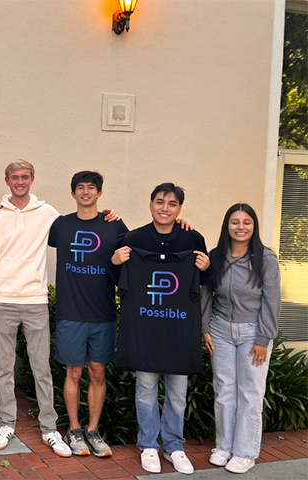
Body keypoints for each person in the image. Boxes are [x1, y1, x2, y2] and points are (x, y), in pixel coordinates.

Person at [0, 160, 119, 455]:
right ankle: (7, 422)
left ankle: (49, 428)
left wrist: (109, 214)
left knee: (41, 367)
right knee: (4, 368)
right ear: (6, 181)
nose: (20, 182)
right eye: (14, 178)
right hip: (3, 300)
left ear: (32, 179)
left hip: (35, 300)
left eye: (24, 177)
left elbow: (84, 222)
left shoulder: (49, 215)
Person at [111, 182, 212, 475]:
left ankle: (174, 445)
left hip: (179, 331)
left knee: (178, 393)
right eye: (159, 202)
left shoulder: (193, 239)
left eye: (171, 204)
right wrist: (115, 261)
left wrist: (206, 268)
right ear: (150, 204)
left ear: (179, 208)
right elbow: (116, 278)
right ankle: (149, 445)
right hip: (145, 329)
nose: (164, 208)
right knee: (145, 388)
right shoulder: (133, 238)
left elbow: (205, 282)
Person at [47, 171, 128, 457]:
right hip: (70, 311)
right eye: (79, 188)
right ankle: (74, 429)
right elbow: (27, 226)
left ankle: (93, 431)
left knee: (97, 371)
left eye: (91, 188)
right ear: (72, 193)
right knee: (74, 371)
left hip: (103, 311)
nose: (85, 192)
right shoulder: (61, 225)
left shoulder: (114, 225)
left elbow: (137, 250)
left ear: (99, 193)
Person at [202, 204, 281, 474]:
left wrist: (264, 337)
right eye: (235, 222)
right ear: (227, 225)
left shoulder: (265, 258)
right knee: (224, 390)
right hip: (221, 330)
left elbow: (272, 301)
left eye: (246, 222)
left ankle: (245, 452)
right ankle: (224, 447)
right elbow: (206, 294)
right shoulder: (216, 256)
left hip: (252, 332)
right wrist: (205, 328)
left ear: (254, 226)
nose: (241, 227)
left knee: (250, 393)